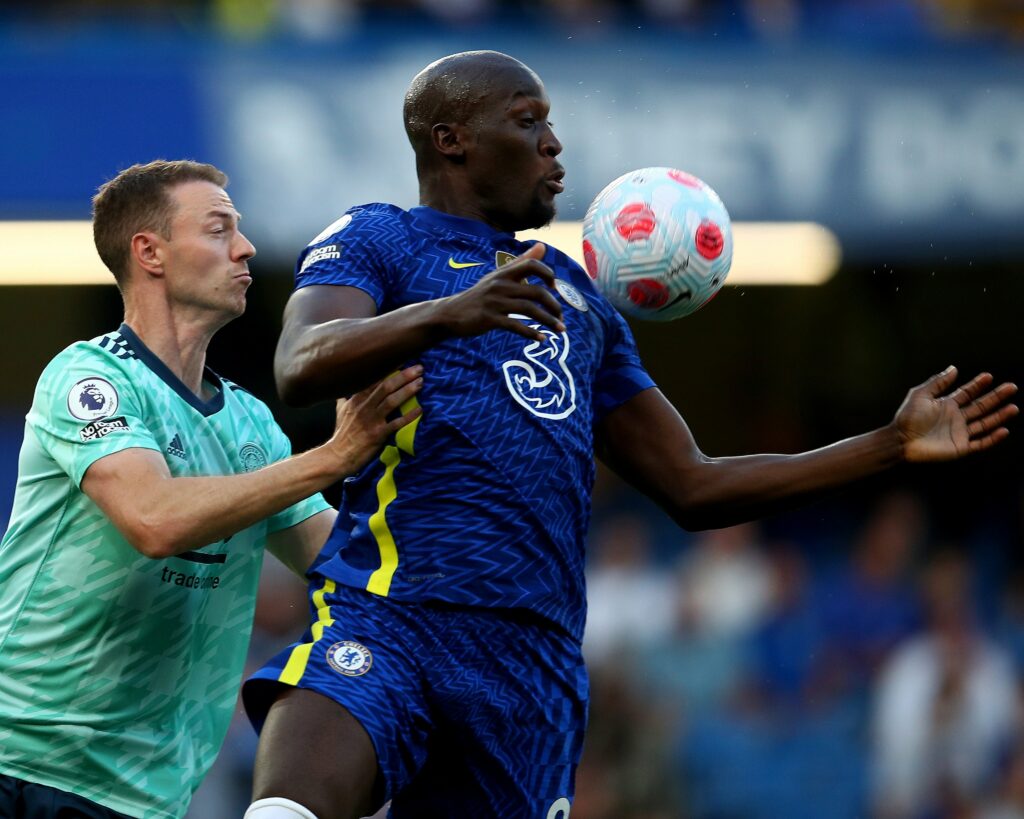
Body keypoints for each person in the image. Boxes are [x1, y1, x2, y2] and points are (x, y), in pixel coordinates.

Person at [240, 51, 1018, 819]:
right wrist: (450, 312)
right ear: (452, 139)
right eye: (528, 120)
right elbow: (302, 361)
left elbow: (694, 483)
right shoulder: (383, 237)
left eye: (551, 121)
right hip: (393, 608)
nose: (554, 142)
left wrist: (886, 443)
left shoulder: (579, 302)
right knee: (289, 808)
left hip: (529, 662)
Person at [0, 159, 422, 819]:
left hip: (145, 797)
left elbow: (341, 559)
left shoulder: (250, 422)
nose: (246, 247)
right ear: (151, 252)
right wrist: (335, 454)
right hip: (23, 765)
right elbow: (153, 519)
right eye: (219, 228)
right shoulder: (88, 377)